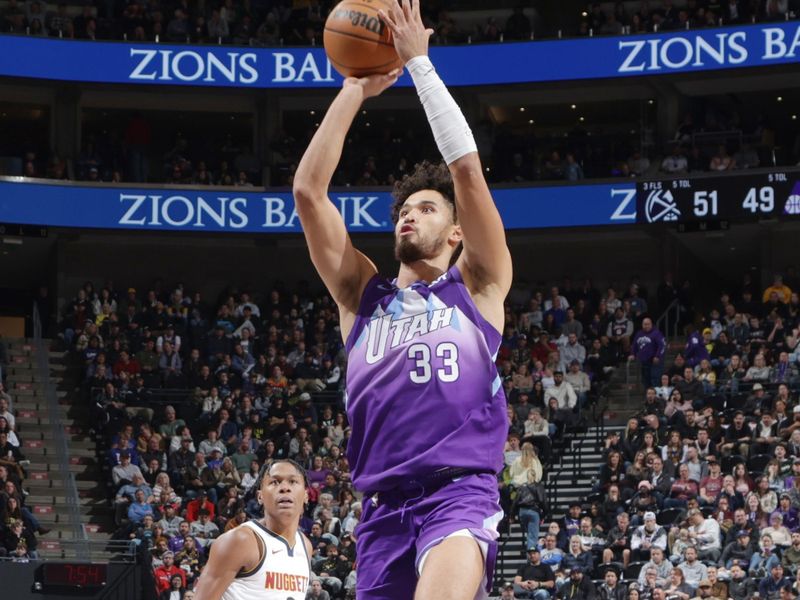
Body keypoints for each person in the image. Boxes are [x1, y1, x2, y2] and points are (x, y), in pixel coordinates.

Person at [292, 2, 513, 599]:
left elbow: (466, 171)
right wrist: (353, 89)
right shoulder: (361, 297)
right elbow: (309, 193)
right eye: (404, 209)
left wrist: (419, 65)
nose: (410, 215)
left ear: (458, 230)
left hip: (458, 495)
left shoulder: (479, 285)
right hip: (381, 509)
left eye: (427, 207)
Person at [192, 460, 312, 600]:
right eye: (275, 482)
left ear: (306, 495)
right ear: (260, 496)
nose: (285, 488)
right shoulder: (240, 540)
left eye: (293, 481)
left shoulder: (306, 546)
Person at [630, 318, 667, 388]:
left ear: (651, 324)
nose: (646, 326)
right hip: (644, 362)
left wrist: (658, 356)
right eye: (645, 324)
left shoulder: (657, 333)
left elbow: (662, 345)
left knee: (655, 380)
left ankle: (656, 397)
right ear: (642, 325)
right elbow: (634, 345)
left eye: (648, 324)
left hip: (655, 362)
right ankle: (648, 397)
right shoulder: (639, 334)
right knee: (645, 381)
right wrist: (632, 354)